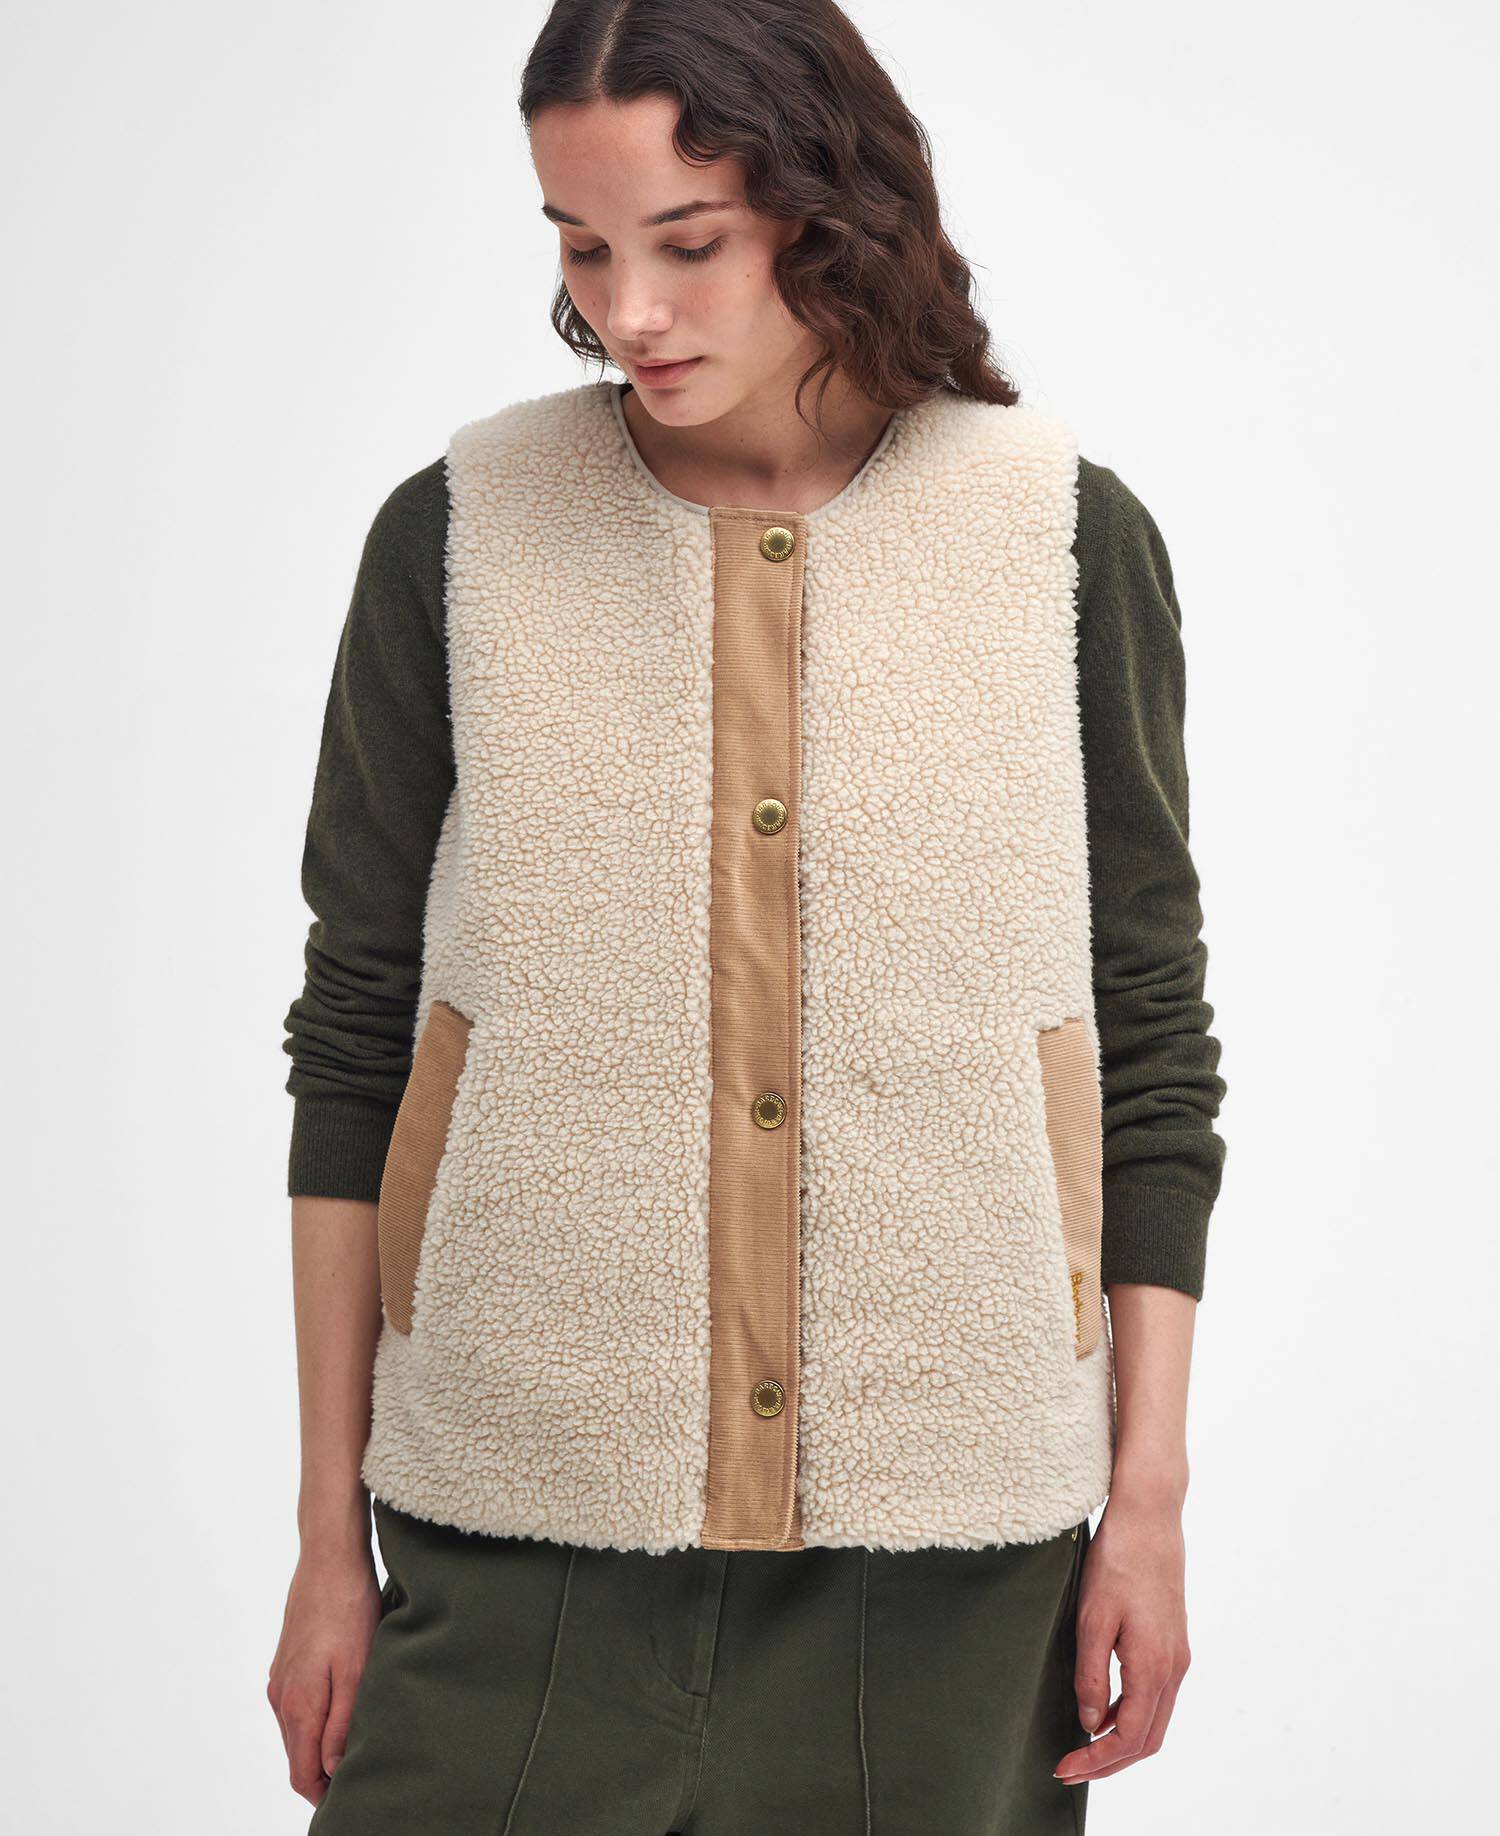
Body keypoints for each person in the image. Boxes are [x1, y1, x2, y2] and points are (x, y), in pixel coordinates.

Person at [267, 2, 1228, 1830]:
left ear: (828, 210)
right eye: (580, 245)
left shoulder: (1060, 538)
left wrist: (1150, 1501)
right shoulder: (461, 534)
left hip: (951, 1559)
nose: (630, 309)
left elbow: (1150, 1035)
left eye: (688, 244)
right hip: (519, 1508)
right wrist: (329, 1540)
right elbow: (356, 1034)